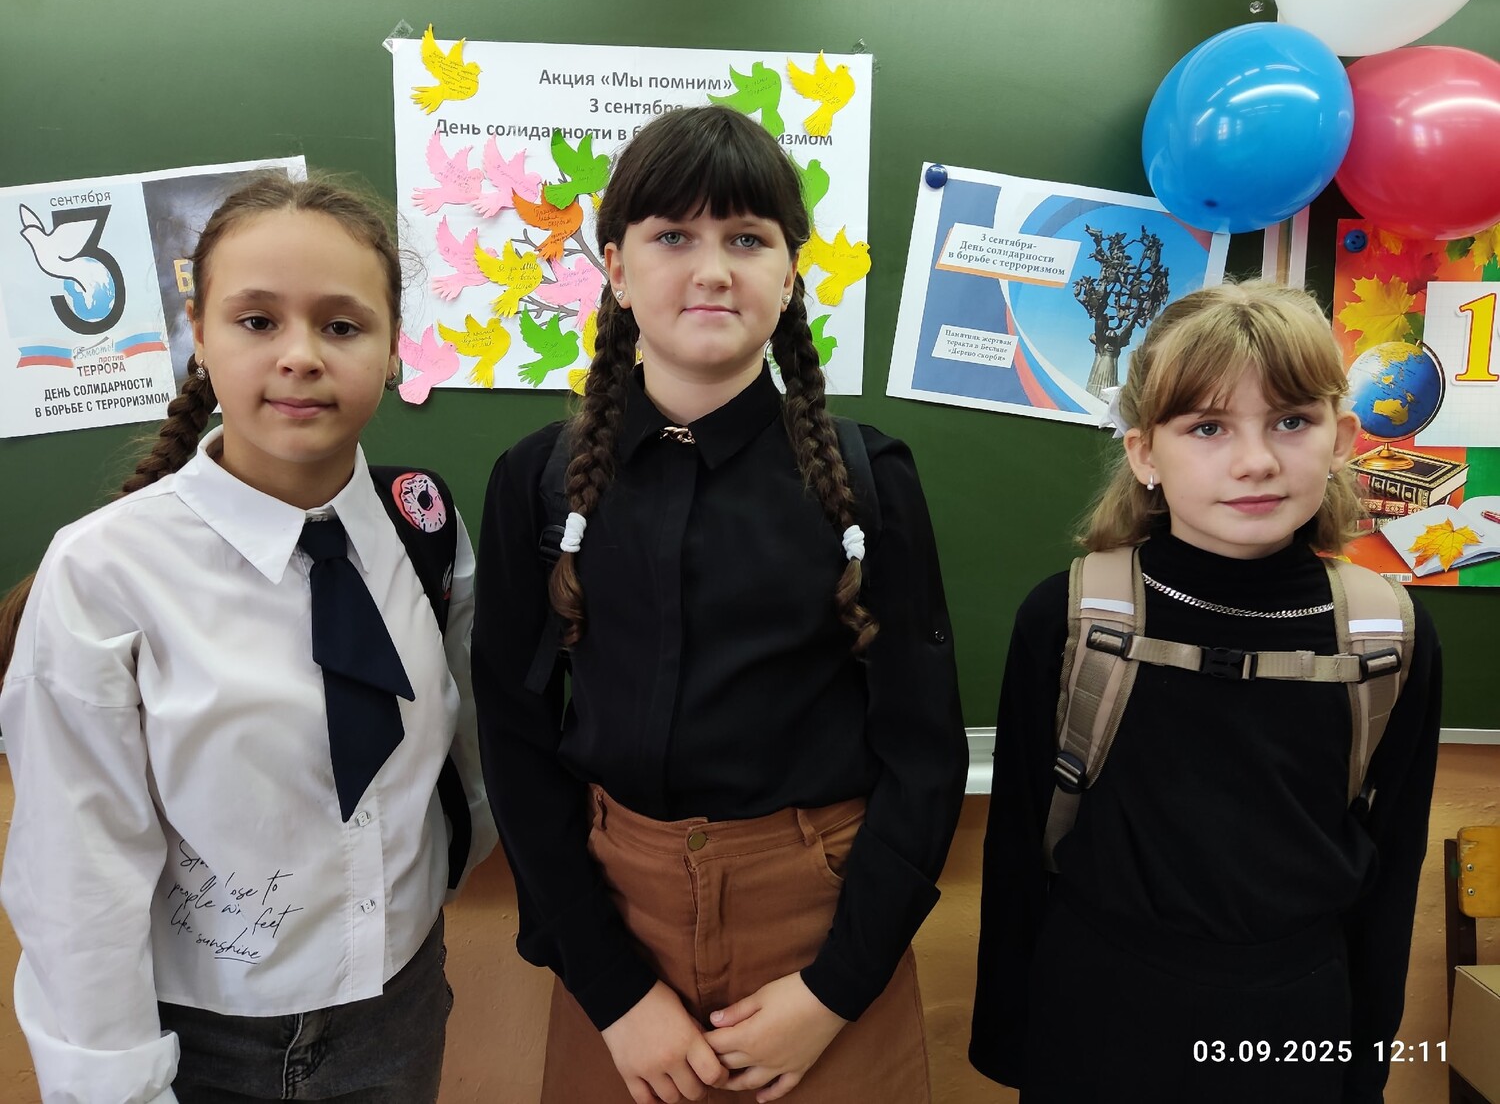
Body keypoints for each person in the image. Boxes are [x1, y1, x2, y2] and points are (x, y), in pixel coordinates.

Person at [473, 105, 968, 1104]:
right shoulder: (538, 480)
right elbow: (514, 738)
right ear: (617, 269)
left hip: (824, 927)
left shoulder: (866, 481)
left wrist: (835, 989)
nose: (712, 270)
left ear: (789, 274)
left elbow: (924, 751)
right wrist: (612, 991)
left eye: (747, 238)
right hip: (614, 925)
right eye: (673, 237)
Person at [0, 174, 496, 1104]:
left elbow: (462, 751)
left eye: (342, 325)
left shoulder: (423, 524)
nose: (300, 356)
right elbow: (77, 874)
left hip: (398, 1007)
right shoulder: (104, 572)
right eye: (257, 320)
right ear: (198, 330)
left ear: (395, 343)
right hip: (200, 1040)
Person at [969, 281, 1442, 1103]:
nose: (1256, 461)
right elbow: (1014, 845)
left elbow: (1393, 864)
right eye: (1208, 427)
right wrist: (1015, 1044)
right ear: (1144, 453)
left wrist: (1362, 1064)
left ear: (1342, 437)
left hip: (1297, 1026)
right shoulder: (1071, 616)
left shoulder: (1387, 636)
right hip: (1097, 1019)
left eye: (1291, 420)